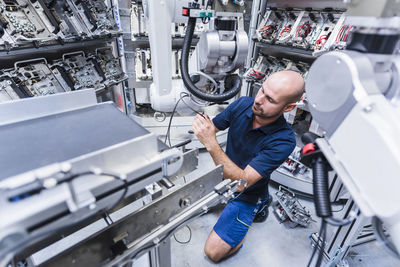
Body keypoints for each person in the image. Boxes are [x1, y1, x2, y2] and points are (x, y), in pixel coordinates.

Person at [192, 70, 305, 263]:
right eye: (262, 90)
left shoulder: (284, 141)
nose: (259, 100)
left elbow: (241, 183)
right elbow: (212, 127)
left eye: (270, 99)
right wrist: (202, 124)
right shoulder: (243, 104)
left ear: (288, 108)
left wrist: (210, 142)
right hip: (224, 177)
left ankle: (260, 206)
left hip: (248, 193)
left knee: (213, 252)